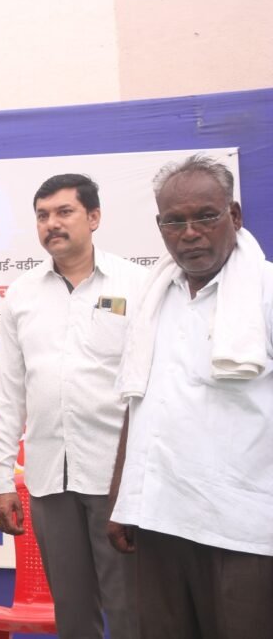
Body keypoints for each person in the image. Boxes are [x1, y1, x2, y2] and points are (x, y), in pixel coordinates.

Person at [108, 155, 273, 638]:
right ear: (159, 226)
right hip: (159, 519)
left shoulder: (265, 291)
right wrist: (122, 499)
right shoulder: (153, 296)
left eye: (205, 216)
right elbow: (140, 400)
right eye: (174, 221)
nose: (191, 233)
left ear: (234, 215)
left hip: (244, 527)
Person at [0, 174, 143, 639]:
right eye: (42, 215)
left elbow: (150, 386)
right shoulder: (22, 294)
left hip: (118, 481)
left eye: (64, 212)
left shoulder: (138, 284)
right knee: (72, 614)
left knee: (131, 611)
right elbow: (10, 393)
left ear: (94, 217)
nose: (52, 223)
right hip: (49, 480)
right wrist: (1, 480)